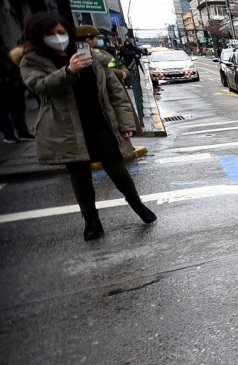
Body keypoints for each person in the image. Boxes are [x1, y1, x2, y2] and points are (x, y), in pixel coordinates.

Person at [16, 13, 155, 241]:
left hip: (101, 122)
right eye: (51, 34)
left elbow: (115, 91)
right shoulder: (33, 61)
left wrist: (126, 123)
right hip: (66, 128)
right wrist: (69, 71)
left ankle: (138, 206)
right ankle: (91, 221)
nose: (58, 38)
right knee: (80, 177)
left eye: (61, 33)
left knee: (118, 170)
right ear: (38, 37)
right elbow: (39, 87)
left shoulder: (87, 53)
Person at [1, 37, 33, 143]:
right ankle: (11, 134)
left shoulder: (3, 49)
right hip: (8, 83)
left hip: (12, 83)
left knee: (17, 109)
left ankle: (19, 133)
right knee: (8, 111)